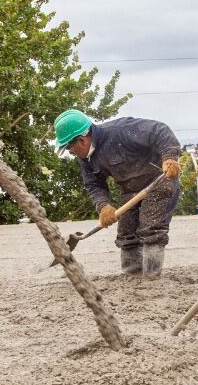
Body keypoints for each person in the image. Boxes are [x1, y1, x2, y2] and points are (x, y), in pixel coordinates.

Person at [55, 109, 182, 278]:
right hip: (130, 190)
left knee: (151, 228)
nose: (71, 154)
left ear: (82, 140)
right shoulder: (85, 158)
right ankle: (132, 275)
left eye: (70, 150)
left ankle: (151, 278)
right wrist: (103, 206)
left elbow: (160, 130)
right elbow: (93, 184)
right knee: (126, 233)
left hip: (159, 180)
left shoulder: (121, 130)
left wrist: (170, 157)